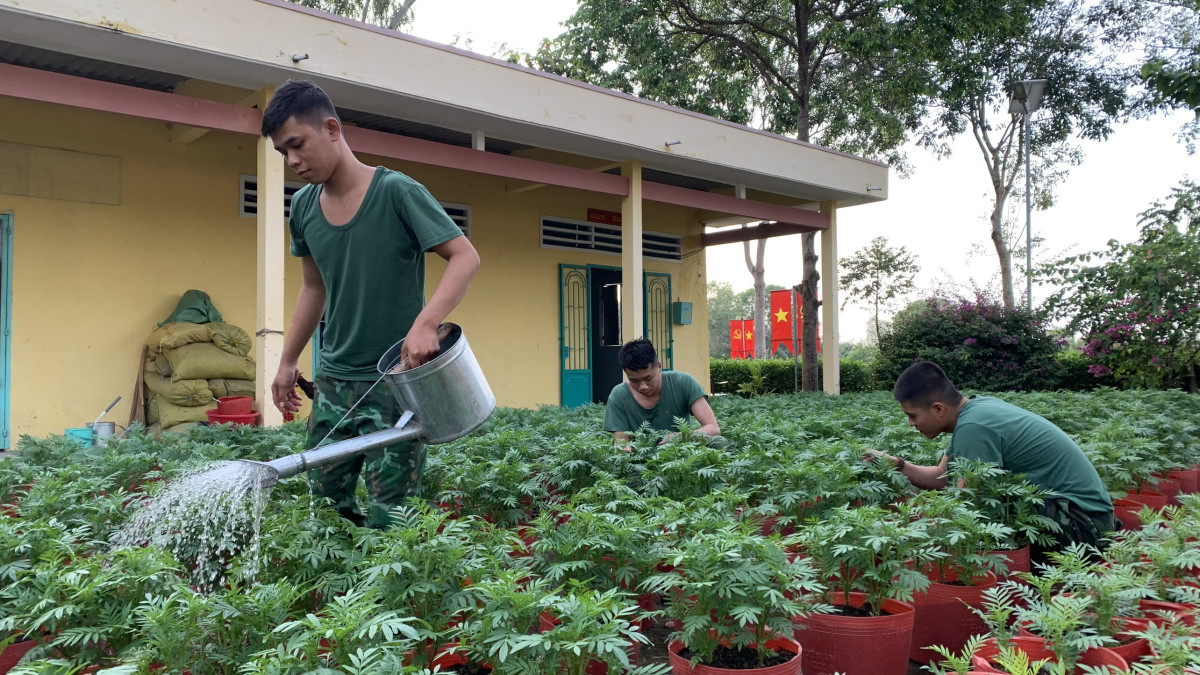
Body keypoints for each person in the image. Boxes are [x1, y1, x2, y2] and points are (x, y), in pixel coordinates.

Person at [262, 80, 480, 528]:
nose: (293, 161)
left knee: (392, 520)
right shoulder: (302, 207)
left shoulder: (397, 192)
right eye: (283, 152)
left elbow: (465, 257)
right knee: (326, 511)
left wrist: (426, 323)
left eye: (297, 145)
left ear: (332, 129)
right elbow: (313, 288)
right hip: (334, 384)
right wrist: (287, 360)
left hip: (396, 386)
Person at [866, 361, 1115, 557]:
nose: (910, 423)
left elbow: (966, 508)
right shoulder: (973, 412)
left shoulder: (974, 426)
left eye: (912, 415)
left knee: (990, 509)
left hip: (1085, 525)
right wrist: (896, 464)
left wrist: (901, 534)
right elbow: (941, 477)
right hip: (1079, 515)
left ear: (938, 408)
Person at [603, 338, 722, 450]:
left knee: (719, 442)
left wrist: (681, 437)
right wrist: (624, 449)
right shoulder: (618, 395)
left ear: (659, 366)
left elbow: (713, 428)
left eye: (648, 378)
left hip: (682, 452)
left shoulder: (683, 382)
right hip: (641, 459)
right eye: (634, 381)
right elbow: (621, 441)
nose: (643, 386)